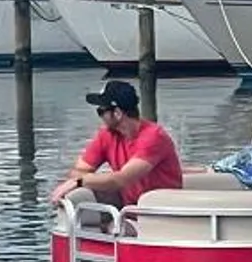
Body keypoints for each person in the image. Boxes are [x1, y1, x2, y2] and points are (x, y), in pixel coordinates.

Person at [49, 79, 183, 208]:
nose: (100, 117)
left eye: (101, 111)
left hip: (162, 212)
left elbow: (121, 179)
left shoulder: (154, 137)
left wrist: (79, 181)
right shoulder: (106, 135)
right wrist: (78, 181)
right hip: (130, 210)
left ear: (117, 113)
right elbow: (79, 170)